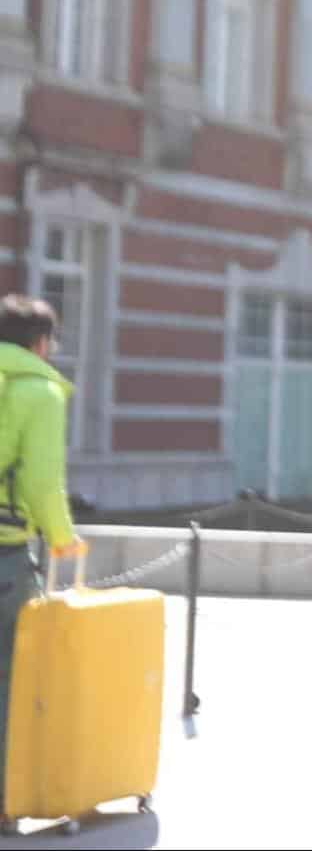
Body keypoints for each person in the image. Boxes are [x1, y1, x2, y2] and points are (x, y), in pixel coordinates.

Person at [0, 294, 84, 809]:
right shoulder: (39, 392)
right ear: (41, 342)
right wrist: (61, 537)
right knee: (10, 678)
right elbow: (42, 482)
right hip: (5, 554)